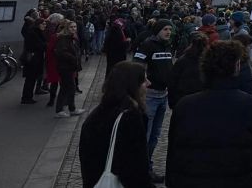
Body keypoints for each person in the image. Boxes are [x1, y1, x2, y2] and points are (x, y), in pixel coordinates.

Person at [166, 40, 252, 188]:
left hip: (193, 180)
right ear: (237, 66)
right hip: (237, 179)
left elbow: (174, 150)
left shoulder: (185, 105)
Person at [79, 62, 152, 188]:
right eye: (144, 80)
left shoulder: (95, 116)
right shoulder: (130, 118)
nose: (148, 83)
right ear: (133, 85)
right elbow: (136, 170)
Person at [133, 19, 174, 183]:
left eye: (170, 29)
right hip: (150, 96)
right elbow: (137, 66)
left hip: (163, 95)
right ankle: (141, 170)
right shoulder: (147, 46)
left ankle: (147, 167)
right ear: (157, 30)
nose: (168, 32)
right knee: (145, 135)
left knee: (155, 136)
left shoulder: (167, 46)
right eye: (165, 29)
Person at [167, 32, 208, 110]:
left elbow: (172, 82)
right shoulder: (207, 60)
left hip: (183, 100)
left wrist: (172, 102)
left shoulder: (182, 60)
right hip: (201, 101)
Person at [54, 19, 85, 117]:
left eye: (75, 27)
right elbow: (61, 53)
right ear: (67, 28)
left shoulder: (72, 38)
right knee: (69, 88)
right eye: (71, 27)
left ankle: (65, 109)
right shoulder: (63, 38)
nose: (74, 29)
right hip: (65, 67)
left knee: (66, 88)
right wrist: (73, 58)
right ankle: (68, 109)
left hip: (70, 67)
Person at [21, 16, 47, 104]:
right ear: (38, 24)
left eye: (45, 24)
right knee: (30, 79)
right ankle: (26, 97)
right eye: (43, 24)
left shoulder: (36, 32)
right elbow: (38, 45)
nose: (45, 25)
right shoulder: (34, 33)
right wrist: (46, 45)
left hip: (35, 58)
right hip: (33, 59)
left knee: (31, 79)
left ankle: (28, 96)